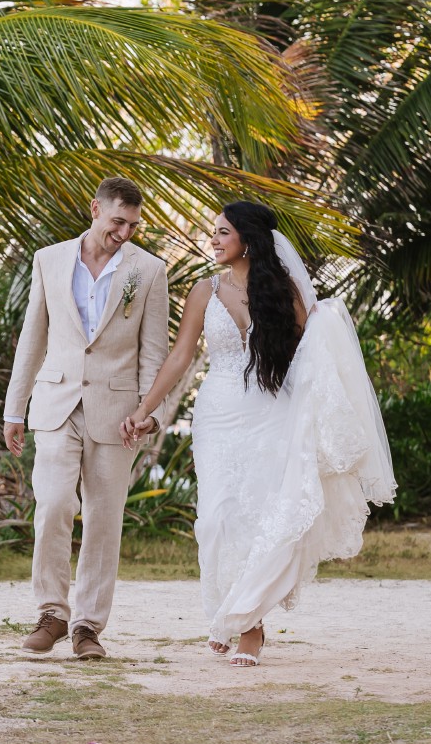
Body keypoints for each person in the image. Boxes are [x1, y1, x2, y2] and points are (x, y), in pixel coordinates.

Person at [121, 201, 396, 667]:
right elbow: (180, 356)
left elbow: (312, 357)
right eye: (214, 232)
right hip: (219, 415)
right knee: (216, 519)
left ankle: (249, 626)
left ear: (247, 240)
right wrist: (145, 409)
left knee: (264, 517)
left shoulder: (283, 291)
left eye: (222, 232)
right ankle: (233, 611)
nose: (213, 240)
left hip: (273, 413)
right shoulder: (203, 292)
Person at [3, 177, 171, 659]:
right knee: (54, 504)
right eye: (118, 221)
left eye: (134, 225)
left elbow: (153, 352)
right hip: (56, 404)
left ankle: (87, 628)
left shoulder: (150, 271)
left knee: (104, 519)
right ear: (95, 209)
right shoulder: (49, 260)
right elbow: (32, 339)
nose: (126, 232)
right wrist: (16, 409)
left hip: (118, 413)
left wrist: (148, 413)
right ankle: (51, 614)